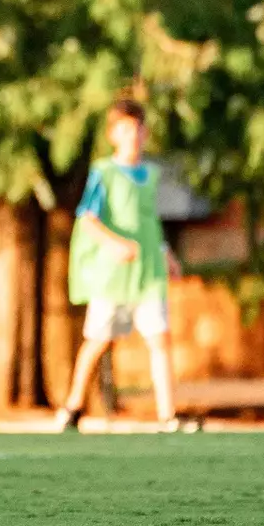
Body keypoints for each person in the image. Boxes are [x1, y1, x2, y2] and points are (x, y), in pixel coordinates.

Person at [56, 98, 185, 432]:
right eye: (126, 128)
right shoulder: (104, 172)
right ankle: (72, 406)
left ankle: (168, 414)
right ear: (113, 134)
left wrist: (165, 251)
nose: (134, 135)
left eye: (139, 127)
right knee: (98, 340)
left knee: (160, 338)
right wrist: (114, 243)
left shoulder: (150, 175)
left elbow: (149, 220)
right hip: (113, 276)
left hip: (148, 273)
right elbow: (87, 216)